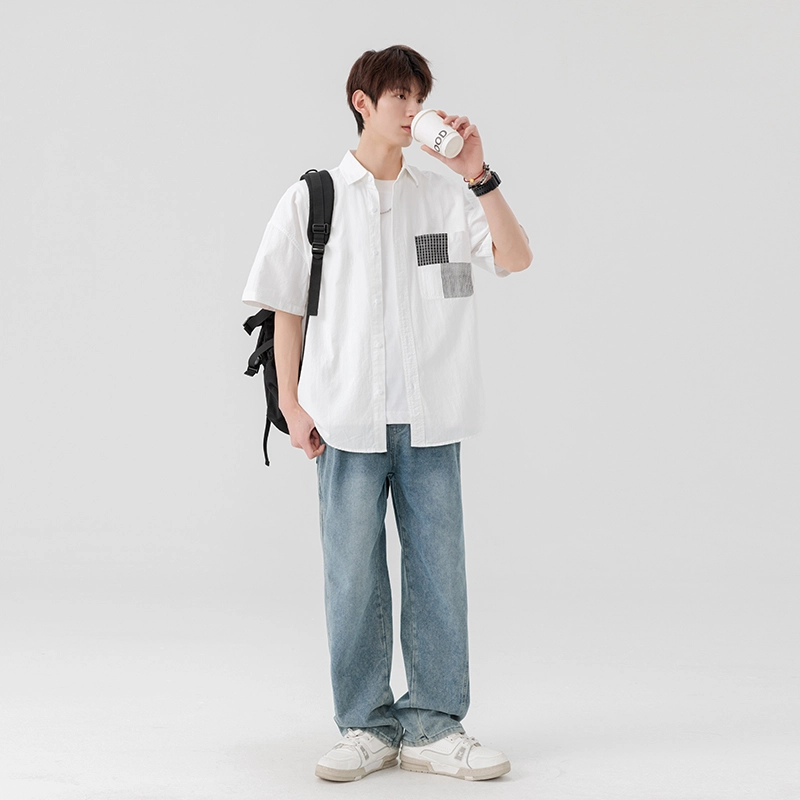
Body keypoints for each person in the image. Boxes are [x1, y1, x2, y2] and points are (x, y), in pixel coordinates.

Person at [242, 44, 532, 782]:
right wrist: (289, 402)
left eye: (418, 97)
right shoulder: (313, 198)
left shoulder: (445, 197)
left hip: (432, 419)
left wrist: (478, 174)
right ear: (362, 103)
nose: (412, 110)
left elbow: (515, 257)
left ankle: (435, 725)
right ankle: (365, 726)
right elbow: (285, 306)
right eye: (398, 96)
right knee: (352, 578)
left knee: (439, 575)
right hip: (345, 417)